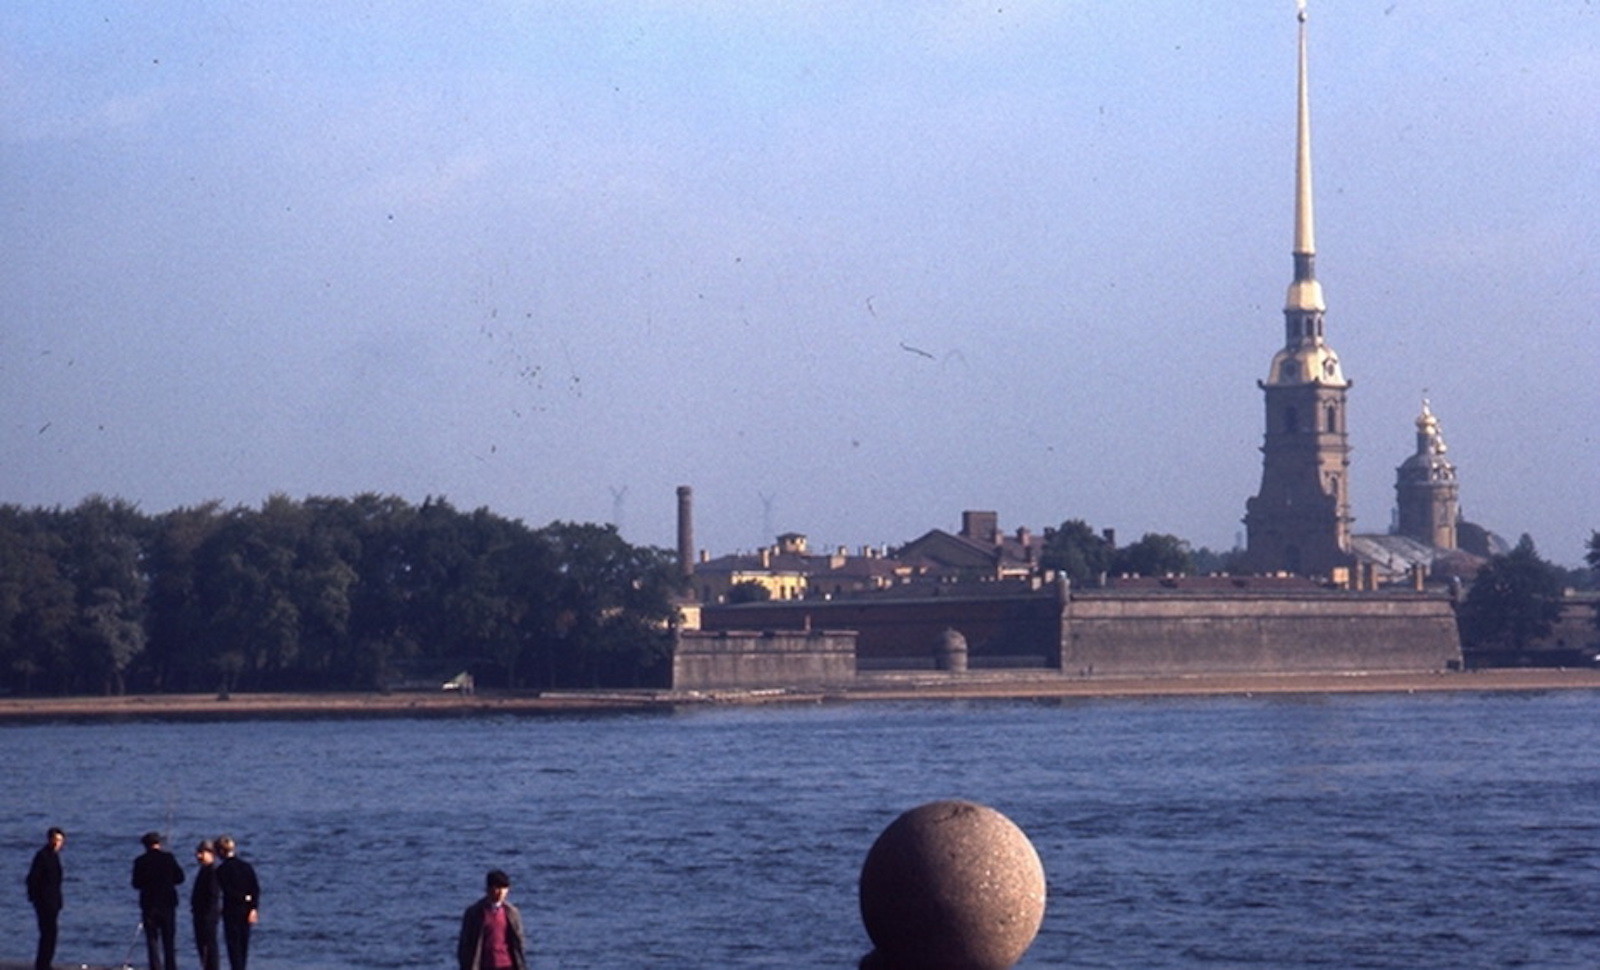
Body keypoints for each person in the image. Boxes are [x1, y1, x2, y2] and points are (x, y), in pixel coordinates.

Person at [132, 831, 186, 970]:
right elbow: (180, 878)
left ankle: (155, 967)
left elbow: (136, 883)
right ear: (159, 844)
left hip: (149, 905)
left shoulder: (140, 861)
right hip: (168, 904)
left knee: (152, 940)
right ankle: (171, 967)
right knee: (169, 940)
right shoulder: (168, 858)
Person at [457, 869, 528, 970]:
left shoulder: (512, 913)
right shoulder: (474, 912)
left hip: (507, 964)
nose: (500, 892)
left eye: (504, 889)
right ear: (488, 889)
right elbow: (465, 944)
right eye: (497, 888)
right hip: (484, 965)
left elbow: (519, 941)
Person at [214, 835, 259, 970]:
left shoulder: (221, 870)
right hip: (246, 910)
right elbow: (255, 888)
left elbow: (227, 891)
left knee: (233, 946)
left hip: (231, 910)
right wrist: (253, 907)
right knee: (244, 944)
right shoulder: (246, 866)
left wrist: (243, 898)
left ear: (221, 851)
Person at [26, 827, 65, 970]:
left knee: (52, 934)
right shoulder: (42, 856)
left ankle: (46, 962)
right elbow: (33, 879)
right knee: (48, 933)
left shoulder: (54, 857)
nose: (58, 843)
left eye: (60, 840)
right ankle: (43, 964)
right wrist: (35, 898)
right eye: (56, 840)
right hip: (44, 901)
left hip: (53, 901)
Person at [191, 840, 223, 970]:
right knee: (202, 946)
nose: (198, 856)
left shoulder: (212, 872)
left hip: (207, 916)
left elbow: (212, 896)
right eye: (198, 853)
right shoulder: (204, 870)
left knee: (209, 946)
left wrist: (207, 915)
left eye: (201, 853)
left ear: (211, 854)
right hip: (200, 915)